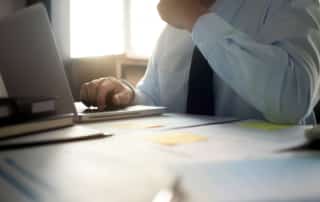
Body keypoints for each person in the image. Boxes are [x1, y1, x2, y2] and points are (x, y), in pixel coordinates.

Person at [80, 0, 320, 124]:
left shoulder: (288, 5)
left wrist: (196, 19)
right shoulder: (175, 25)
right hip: (183, 176)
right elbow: (155, 95)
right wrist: (128, 94)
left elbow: (294, 101)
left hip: (272, 183)